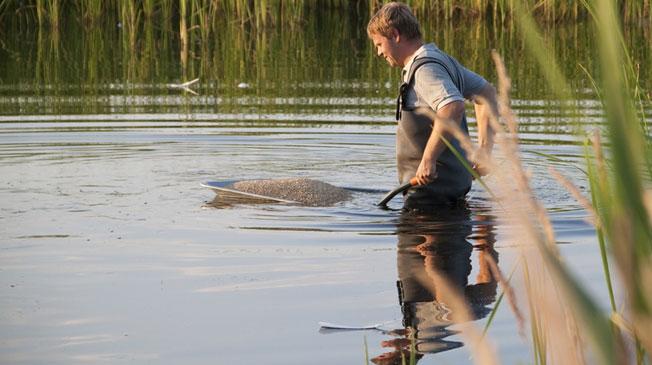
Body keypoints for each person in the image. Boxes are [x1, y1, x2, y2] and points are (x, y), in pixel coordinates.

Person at [367, 2, 498, 210]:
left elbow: (453, 107)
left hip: (428, 201)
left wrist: (428, 160)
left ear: (394, 34)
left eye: (379, 44)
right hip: (452, 195)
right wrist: (484, 150)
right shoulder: (440, 59)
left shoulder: (425, 69)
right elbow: (487, 94)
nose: (379, 53)